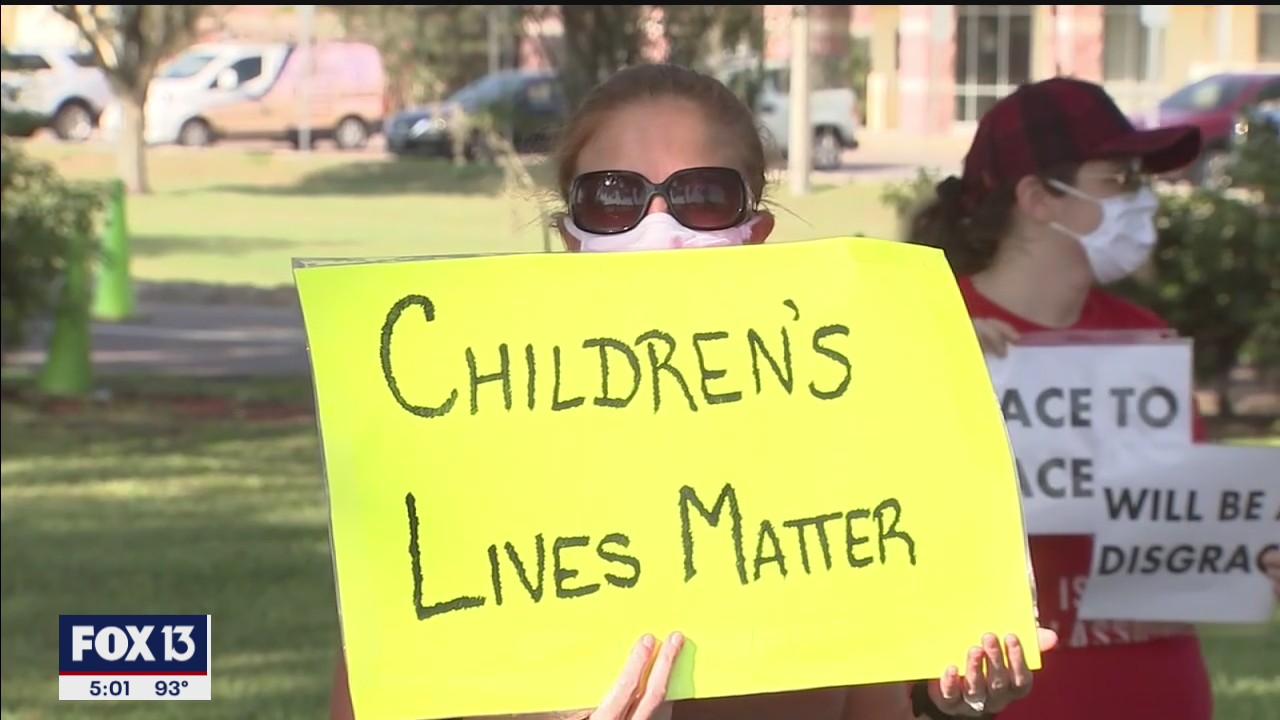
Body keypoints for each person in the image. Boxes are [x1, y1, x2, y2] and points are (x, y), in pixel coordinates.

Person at [331, 63, 1059, 720]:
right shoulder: (457, 460)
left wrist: (945, 705)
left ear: (756, 229)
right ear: (572, 234)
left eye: (702, 197)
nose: (659, 226)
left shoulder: (840, 452)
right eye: (613, 198)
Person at [906, 76, 1280, 720]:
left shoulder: (1142, 338)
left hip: (1164, 694)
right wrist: (936, 365)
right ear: (1037, 197)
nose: (1145, 202)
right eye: (1121, 180)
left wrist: (1245, 552)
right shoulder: (925, 331)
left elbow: (1182, 522)